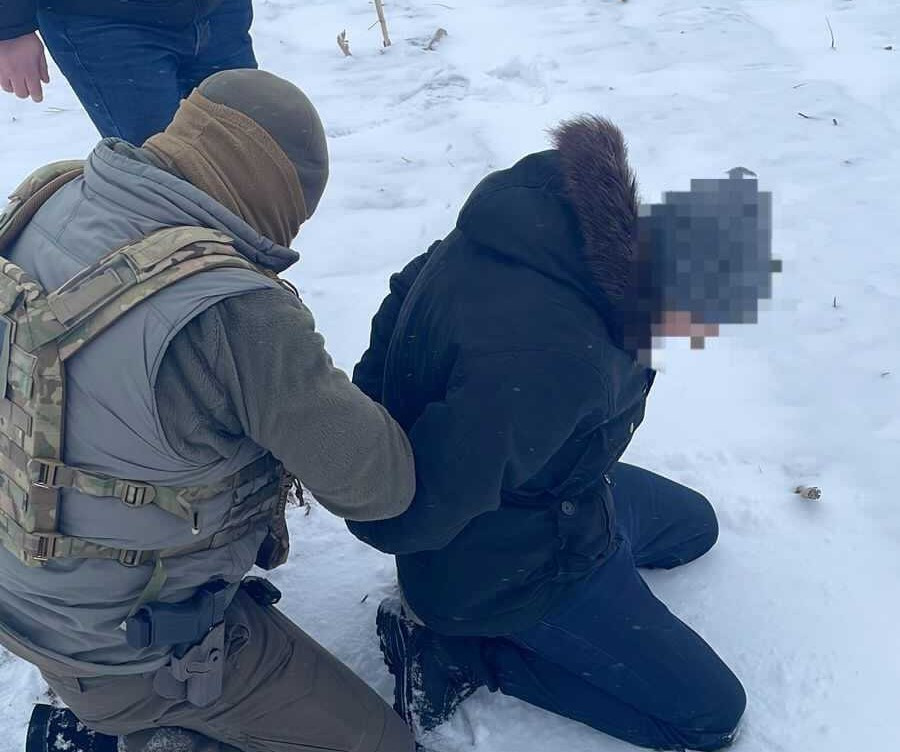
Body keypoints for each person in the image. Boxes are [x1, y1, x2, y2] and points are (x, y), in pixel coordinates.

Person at [0, 69, 416, 752]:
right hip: (121, 651)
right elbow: (378, 486)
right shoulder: (234, 311)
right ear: (274, 198)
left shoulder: (51, 197)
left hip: (22, 585)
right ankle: (141, 728)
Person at [347, 118, 777, 750]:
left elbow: (408, 288)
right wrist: (373, 461)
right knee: (711, 716)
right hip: (498, 567)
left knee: (696, 528)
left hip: (561, 496)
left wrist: (387, 393)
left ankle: (595, 584)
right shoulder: (557, 363)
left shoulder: (547, 224)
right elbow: (409, 516)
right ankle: (462, 653)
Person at [0, 0, 258, 144]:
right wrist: (10, 27)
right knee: (166, 172)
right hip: (105, 20)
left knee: (250, 149)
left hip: (218, 11)